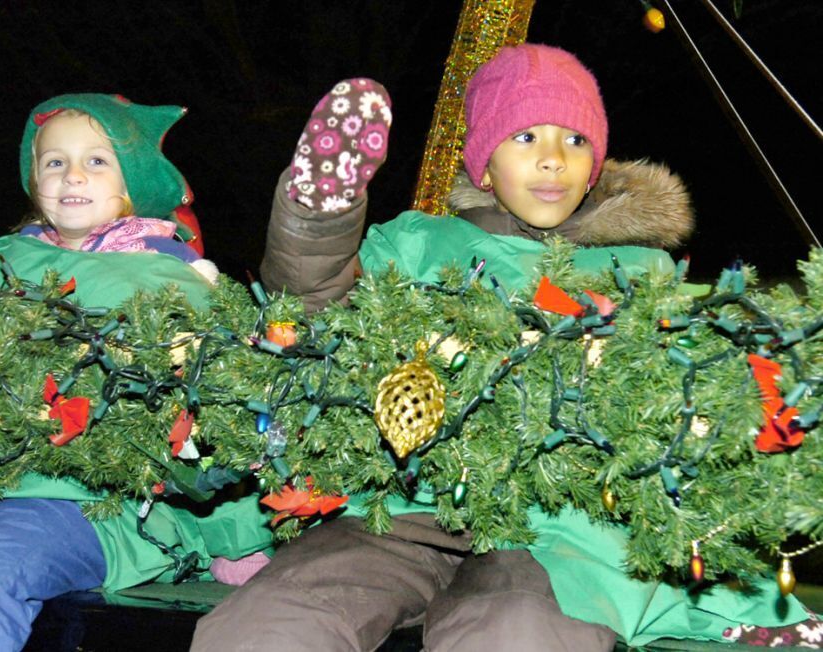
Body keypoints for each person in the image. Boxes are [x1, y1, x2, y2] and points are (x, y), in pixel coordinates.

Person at [192, 45, 811, 650]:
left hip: (559, 530)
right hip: (400, 508)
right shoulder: (418, 244)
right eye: (525, 138)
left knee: (515, 631)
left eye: (574, 141)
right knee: (271, 624)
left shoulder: (639, 272)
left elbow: (690, 391)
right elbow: (316, 302)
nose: (552, 160)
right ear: (483, 166)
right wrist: (320, 218)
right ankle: (320, 196)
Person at [0, 93, 272, 651]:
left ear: (132, 183)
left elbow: (214, 412)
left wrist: (236, 542)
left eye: (97, 160)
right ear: (34, 180)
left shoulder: (169, 286)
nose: (72, 174)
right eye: (54, 161)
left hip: (88, 506)